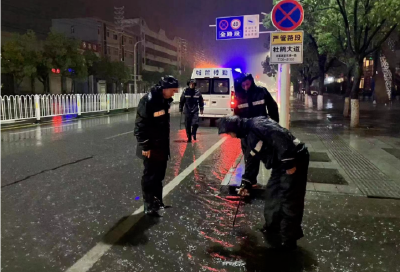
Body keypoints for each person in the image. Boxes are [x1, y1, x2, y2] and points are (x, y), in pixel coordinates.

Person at [218, 115, 309, 250]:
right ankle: (273, 228)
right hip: (279, 164)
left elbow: (280, 137)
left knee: (289, 199)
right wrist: (246, 183)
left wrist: (289, 163)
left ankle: (289, 240)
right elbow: (251, 160)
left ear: (234, 128)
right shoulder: (246, 137)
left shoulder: (258, 124)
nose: (230, 136)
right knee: (272, 193)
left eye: (229, 133)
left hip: (294, 159)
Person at [134, 76, 179, 216]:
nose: (174, 93)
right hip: (151, 147)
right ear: (165, 89)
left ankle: (157, 201)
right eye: (172, 90)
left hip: (162, 146)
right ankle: (148, 204)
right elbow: (140, 126)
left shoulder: (164, 101)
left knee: (159, 175)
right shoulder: (148, 101)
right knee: (150, 176)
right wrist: (145, 146)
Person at [234, 73, 279, 187]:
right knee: (248, 155)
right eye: (243, 85)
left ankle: (249, 180)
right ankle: (251, 180)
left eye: (247, 84)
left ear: (252, 81)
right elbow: (236, 114)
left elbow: (272, 107)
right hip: (245, 131)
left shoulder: (261, 92)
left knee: (253, 154)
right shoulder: (239, 95)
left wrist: (274, 123)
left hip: (259, 130)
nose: (246, 87)